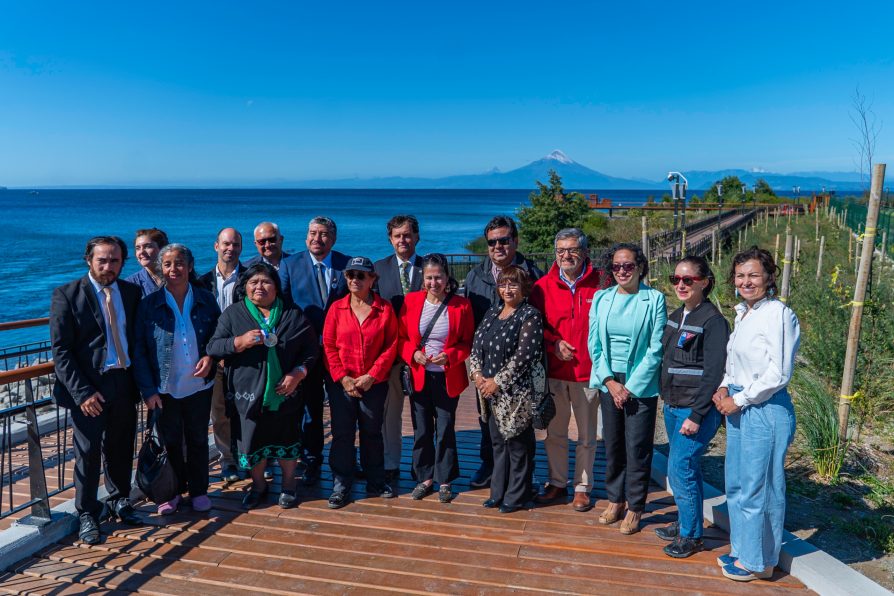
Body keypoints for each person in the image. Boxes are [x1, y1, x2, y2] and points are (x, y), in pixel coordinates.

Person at [713, 247, 800, 582]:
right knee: (737, 485)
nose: (745, 281)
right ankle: (743, 550)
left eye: (753, 275)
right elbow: (735, 362)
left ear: (769, 277)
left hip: (764, 408)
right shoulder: (744, 313)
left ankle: (760, 562)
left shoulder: (778, 314)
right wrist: (724, 387)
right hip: (740, 403)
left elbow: (779, 373)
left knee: (760, 489)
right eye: (740, 275)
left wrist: (740, 399)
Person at [50, 236, 143, 545]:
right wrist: (82, 393)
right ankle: (87, 513)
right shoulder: (67, 295)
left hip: (124, 381)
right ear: (88, 260)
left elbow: (136, 339)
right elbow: (61, 351)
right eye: (102, 260)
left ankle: (119, 499)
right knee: (87, 453)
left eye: (115, 260)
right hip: (89, 388)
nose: (108, 266)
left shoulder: (131, 292)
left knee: (121, 445)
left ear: (122, 262)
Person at [206, 263, 318, 510]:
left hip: (286, 392)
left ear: (276, 287)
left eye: (266, 282)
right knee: (253, 441)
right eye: (253, 282)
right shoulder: (233, 314)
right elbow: (213, 347)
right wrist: (238, 342)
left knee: (287, 439)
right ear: (244, 287)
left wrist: (298, 373)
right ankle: (258, 486)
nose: (259, 287)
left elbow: (311, 349)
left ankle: (289, 485)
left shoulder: (292, 313)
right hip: (247, 393)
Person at [133, 244, 221, 514]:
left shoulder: (206, 299)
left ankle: (199, 491)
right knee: (169, 441)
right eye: (168, 264)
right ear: (161, 268)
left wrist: (210, 357)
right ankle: (171, 492)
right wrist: (148, 390)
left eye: (180, 263)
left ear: (190, 266)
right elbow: (139, 349)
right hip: (165, 388)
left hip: (199, 385)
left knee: (197, 440)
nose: (174, 269)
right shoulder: (149, 304)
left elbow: (218, 335)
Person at [588, 242, 666, 535]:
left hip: (639, 383)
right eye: (616, 266)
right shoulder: (601, 298)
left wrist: (629, 388)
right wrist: (610, 382)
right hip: (609, 380)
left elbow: (656, 349)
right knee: (613, 444)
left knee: (637, 447)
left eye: (628, 265)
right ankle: (615, 500)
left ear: (640, 267)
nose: (622, 271)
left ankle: (635, 506)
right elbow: (594, 343)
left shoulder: (654, 299)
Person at [655, 256, 729, 558]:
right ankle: (688, 521)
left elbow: (713, 372)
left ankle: (692, 536)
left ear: (704, 282)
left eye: (688, 280)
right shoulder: (678, 314)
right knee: (686, 469)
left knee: (681, 469)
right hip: (673, 404)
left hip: (693, 409)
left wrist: (697, 414)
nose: (681, 285)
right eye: (676, 279)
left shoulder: (713, 321)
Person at [463, 215, 544, 489]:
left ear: (515, 241)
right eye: (492, 242)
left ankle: (525, 475)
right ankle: (491, 467)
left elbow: (541, 319)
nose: (498, 246)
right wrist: (476, 369)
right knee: (487, 419)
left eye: (504, 240)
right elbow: (471, 321)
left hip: (519, 366)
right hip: (485, 366)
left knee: (521, 424)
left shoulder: (533, 274)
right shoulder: (475, 276)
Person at [529, 228, 606, 513]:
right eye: (561, 250)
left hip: (588, 373)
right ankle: (557, 482)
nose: (566, 255)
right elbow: (535, 326)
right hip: (554, 372)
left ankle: (582, 487)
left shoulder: (602, 283)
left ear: (584, 252)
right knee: (555, 434)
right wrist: (553, 344)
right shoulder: (542, 287)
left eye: (572, 249)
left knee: (587, 436)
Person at [322, 257, 398, 509]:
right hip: (341, 384)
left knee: (372, 433)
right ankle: (341, 484)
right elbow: (329, 346)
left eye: (361, 275)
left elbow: (391, 345)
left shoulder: (384, 309)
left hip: (373, 384)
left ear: (372, 279)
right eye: (351, 275)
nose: (355, 279)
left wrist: (372, 376)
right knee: (342, 434)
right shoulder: (336, 309)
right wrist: (343, 378)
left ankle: (375, 480)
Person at [279, 216, 350, 485]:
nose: (316, 239)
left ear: (333, 238)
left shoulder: (346, 264)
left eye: (323, 234)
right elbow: (284, 307)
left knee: (343, 406)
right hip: (304, 351)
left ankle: (345, 459)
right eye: (312, 233)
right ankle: (311, 459)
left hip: (339, 351)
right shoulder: (290, 265)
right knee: (310, 409)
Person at [468, 265, 545, 514]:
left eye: (513, 284)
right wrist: (477, 375)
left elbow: (524, 356)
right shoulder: (493, 312)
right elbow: (476, 345)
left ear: (524, 288)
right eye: (503, 284)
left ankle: (517, 495)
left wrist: (497, 381)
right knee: (498, 443)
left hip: (516, 394)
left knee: (518, 445)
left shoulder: (530, 315)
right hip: (489, 393)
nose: (508, 289)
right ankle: (498, 492)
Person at [398, 254, 474, 503]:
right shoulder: (411, 301)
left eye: (438, 277)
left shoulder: (461, 305)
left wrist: (450, 356)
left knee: (445, 429)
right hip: (420, 376)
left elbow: (467, 342)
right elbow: (402, 338)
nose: (434, 283)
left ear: (447, 277)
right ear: (423, 278)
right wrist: (413, 353)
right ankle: (424, 478)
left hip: (447, 377)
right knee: (421, 429)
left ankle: (445, 479)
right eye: (429, 277)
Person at [374, 215, 424, 482]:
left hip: (424, 356)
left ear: (417, 237)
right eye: (397, 236)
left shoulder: (430, 267)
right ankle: (390, 463)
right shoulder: (378, 269)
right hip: (392, 354)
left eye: (407, 235)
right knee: (390, 414)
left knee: (423, 414)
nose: (402, 240)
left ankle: (422, 465)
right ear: (390, 239)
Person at [198, 227, 246, 483]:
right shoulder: (201, 282)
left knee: (249, 410)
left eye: (235, 244)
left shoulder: (251, 279)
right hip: (215, 358)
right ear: (216, 246)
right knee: (219, 413)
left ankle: (250, 458)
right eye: (226, 244)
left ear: (241, 248)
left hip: (245, 356)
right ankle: (228, 460)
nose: (230, 249)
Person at [125, 228, 169, 296]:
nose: (141, 252)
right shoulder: (130, 284)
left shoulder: (177, 278)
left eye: (148, 246)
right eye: (138, 248)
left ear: (163, 249)